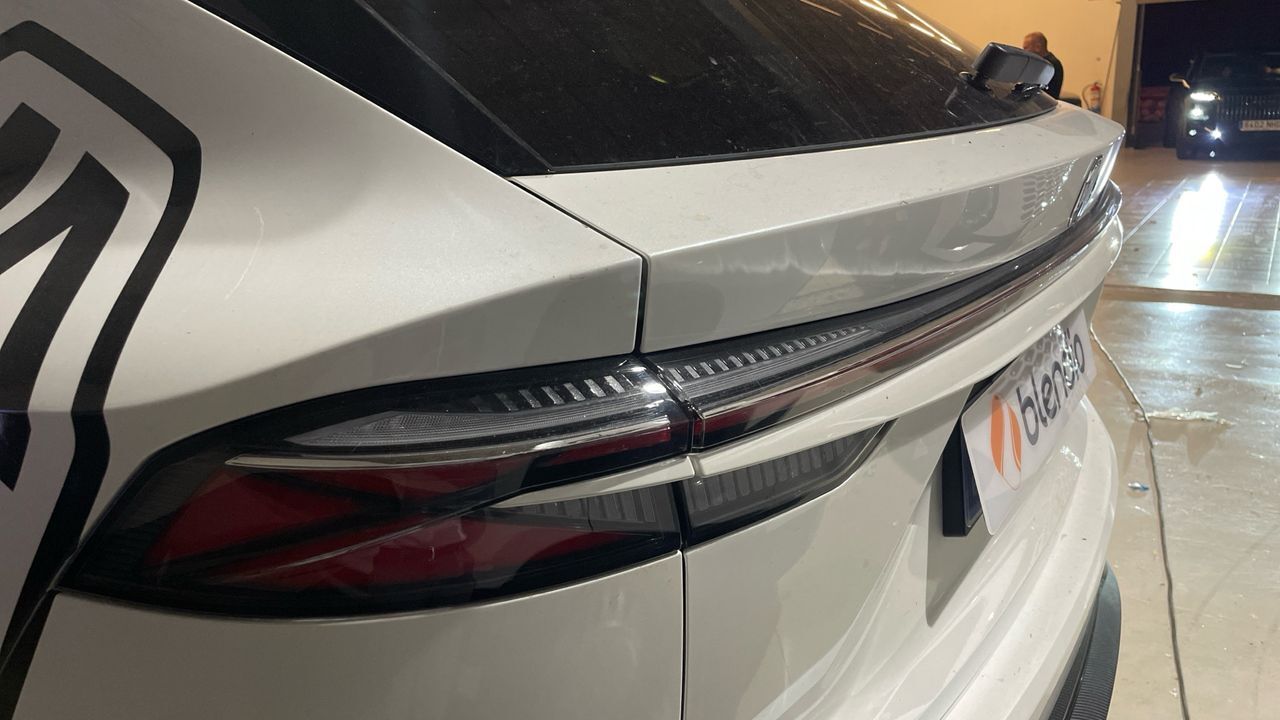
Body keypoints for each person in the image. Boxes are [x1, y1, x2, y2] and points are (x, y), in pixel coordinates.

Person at [1022, 32, 1064, 99]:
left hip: (1042, 102)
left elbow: (1034, 89)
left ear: (1038, 47)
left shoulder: (1048, 65)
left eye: (1026, 48)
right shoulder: (1047, 62)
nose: (1024, 51)